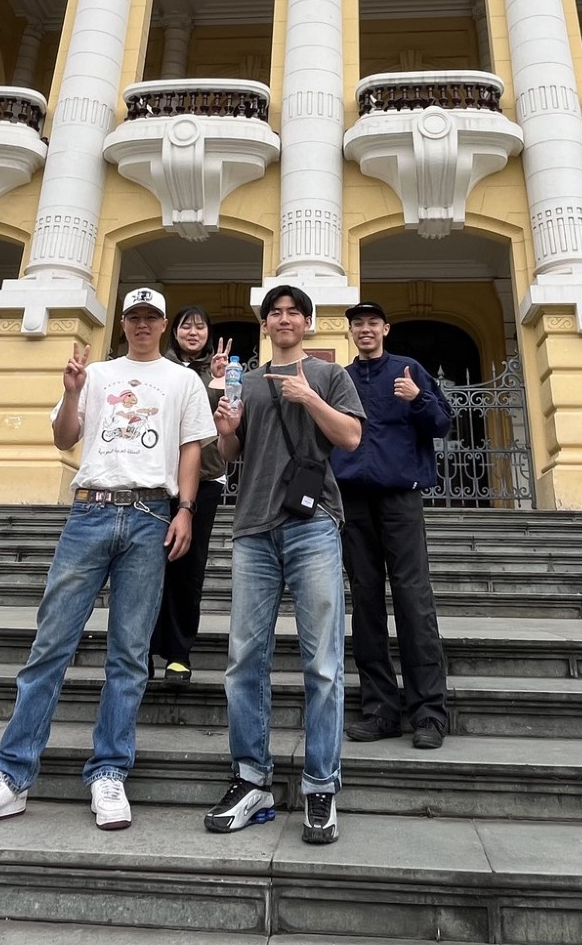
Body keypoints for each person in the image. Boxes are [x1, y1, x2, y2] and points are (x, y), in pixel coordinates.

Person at [0, 286, 210, 834]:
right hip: (89, 512)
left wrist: (185, 509)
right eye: (134, 316)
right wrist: (71, 393)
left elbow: (191, 448)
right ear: (123, 323)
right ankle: (11, 775)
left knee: (129, 654)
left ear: (163, 324)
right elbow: (64, 437)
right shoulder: (96, 374)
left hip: (150, 514)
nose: (142, 324)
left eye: (151, 317)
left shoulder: (182, 380)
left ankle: (109, 770)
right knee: (50, 645)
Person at [202, 283, 364, 846]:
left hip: (313, 525)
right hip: (253, 528)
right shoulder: (246, 380)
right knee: (244, 661)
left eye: (295, 312)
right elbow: (231, 454)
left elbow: (351, 437)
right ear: (265, 324)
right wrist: (226, 431)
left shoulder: (329, 375)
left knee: (323, 664)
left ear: (308, 323)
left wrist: (309, 398)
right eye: (276, 312)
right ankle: (252, 780)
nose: (285, 319)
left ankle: (321, 786)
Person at [337, 301, 454, 749]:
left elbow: (442, 424)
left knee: (412, 600)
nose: (365, 329)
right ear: (351, 332)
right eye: (358, 324)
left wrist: (418, 398)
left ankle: (429, 713)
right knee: (365, 602)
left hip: (401, 498)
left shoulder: (409, 370)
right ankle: (380, 709)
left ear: (385, 329)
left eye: (372, 323)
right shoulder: (342, 378)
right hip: (353, 500)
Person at [151, 305, 230, 684]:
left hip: (204, 480)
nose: (193, 332)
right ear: (174, 331)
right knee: (148, 567)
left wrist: (218, 380)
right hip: (158, 479)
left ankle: (178, 653)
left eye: (200, 326)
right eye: (187, 326)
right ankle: (142, 650)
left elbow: (220, 424)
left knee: (188, 568)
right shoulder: (158, 367)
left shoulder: (221, 372)